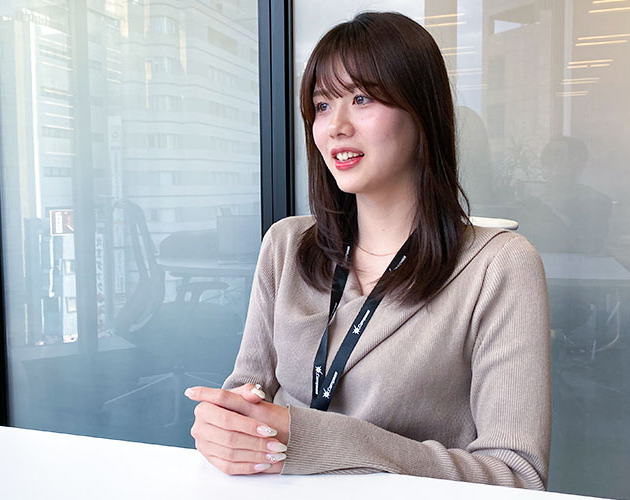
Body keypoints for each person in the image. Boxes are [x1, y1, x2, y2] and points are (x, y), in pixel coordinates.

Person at [185, 11, 550, 490]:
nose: (335, 126)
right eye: (321, 105)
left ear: (422, 112)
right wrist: (224, 426)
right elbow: (245, 396)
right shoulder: (285, 245)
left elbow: (518, 476)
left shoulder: (499, 265)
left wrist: (319, 440)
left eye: (361, 98)